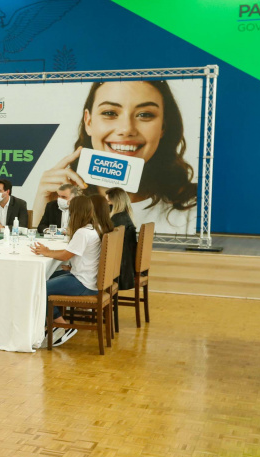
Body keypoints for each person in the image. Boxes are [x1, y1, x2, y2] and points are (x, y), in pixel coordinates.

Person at [31, 80, 197, 234]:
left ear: (163, 127)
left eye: (145, 114)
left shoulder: (193, 209)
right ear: (88, 122)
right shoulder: (64, 200)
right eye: (109, 113)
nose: (126, 129)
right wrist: (46, 211)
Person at [30, 196, 106, 347]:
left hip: (83, 282)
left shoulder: (83, 233)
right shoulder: (94, 228)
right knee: (47, 276)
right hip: (87, 277)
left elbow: (65, 255)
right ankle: (48, 324)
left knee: (39, 288)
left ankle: (62, 326)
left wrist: (47, 251)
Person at [107, 186, 137, 291]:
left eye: (108, 201)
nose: (106, 204)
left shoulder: (117, 220)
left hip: (120, 269)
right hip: (127, 266)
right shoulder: (124, 216)